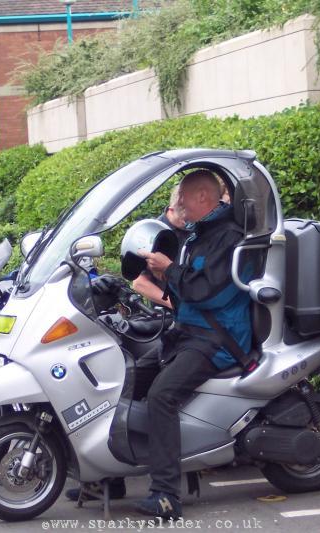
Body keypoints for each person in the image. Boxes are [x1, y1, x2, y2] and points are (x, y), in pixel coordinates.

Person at [133, 169, 251, 519]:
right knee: (130, 378)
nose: (178, 203)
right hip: (189, 333)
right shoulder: (199, 235)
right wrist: (162, 275)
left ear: (202, 197)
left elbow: (207, 291)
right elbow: (189, 288)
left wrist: (169, 270)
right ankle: (108, 478)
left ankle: (166, 495)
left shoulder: (227, 237)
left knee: (162, 395)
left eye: (182, 196)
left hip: (217, 339)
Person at [132, 185, 189, 308]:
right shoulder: (151, 235)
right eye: (185, 218)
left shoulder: (194, 226)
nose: (190, 221)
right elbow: (139, 283)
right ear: (172, 208)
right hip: (169, 313)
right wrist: (174, 304)